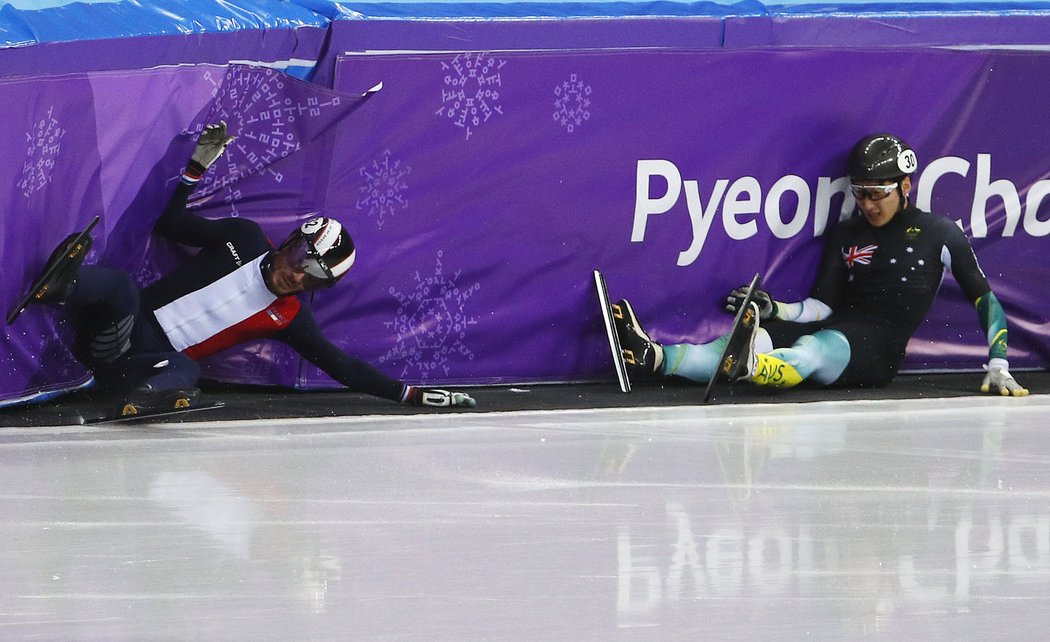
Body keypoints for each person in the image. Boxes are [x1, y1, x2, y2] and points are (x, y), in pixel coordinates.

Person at [25, 122, 476, 413]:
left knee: (187, 370)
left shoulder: (289, 318)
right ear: (289, 243)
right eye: (300, 258)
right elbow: (170, 224)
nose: (296, 275)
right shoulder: (241, 238)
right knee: (121, 286)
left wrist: (411, 394)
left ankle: (142, 399)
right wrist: (195, 169)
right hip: (119, 328)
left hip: (143, 365)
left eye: (312, 277)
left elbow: (343, 366)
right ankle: (60, 286)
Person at [614, 133, 1028, 397]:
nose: (867, 204)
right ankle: (655, 358)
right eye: (859, 193)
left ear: (905, 186)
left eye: (876, 194)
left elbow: (984, 298)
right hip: (837, 322)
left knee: (813, 349)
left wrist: (998, 362)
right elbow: (822, 306)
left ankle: (755, 369)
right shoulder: (847, 233)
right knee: (755, 336)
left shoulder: (941, 233)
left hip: (877, 347)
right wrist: (776, 309)